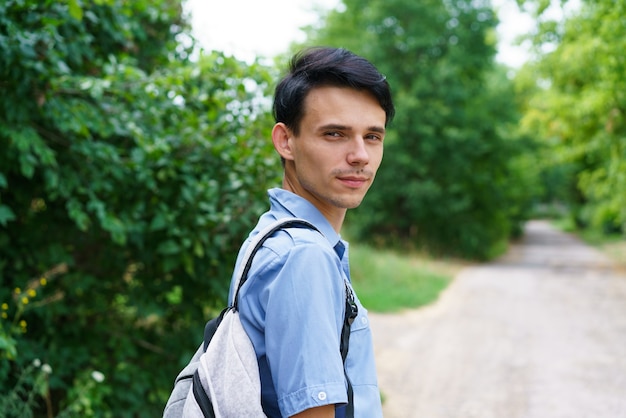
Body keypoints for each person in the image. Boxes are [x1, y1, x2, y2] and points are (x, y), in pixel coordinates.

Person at [230, 46, 395, 418]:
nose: (360, 156)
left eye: (372, 136)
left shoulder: (271, 234)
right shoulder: (304, 256)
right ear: (285, 141)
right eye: (335, 134)